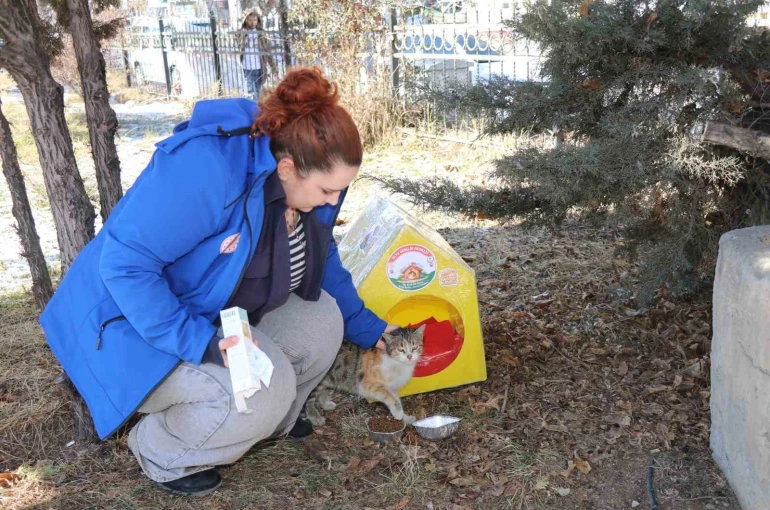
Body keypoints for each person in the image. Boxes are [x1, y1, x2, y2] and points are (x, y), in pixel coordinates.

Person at [39, 67, 398, 496]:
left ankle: (263, 419)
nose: (334, 201)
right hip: (129, 332)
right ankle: (159, 448)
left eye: (341, 191)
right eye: (326, 191)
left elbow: (326, 258)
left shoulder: (305, 185)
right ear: (287, 168)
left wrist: (372, 329)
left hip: (210, 315)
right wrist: (201, 343)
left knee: (323, 317)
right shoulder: (207, 170)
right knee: (270, 386)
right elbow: (124, 267)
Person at [240, 11, 268, 100]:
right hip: (248, 67)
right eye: (250, 20)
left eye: (255, 20)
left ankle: (258, 111)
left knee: (259, 92)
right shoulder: (241, 33)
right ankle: (253, 111)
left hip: (260, 67)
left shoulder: (261, 33)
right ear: (245, 20)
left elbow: (267, 50)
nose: (253, 22)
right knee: (251, 92)